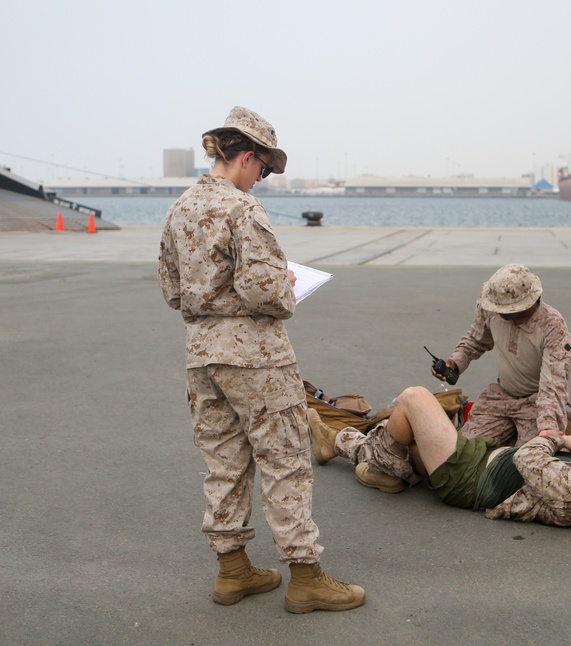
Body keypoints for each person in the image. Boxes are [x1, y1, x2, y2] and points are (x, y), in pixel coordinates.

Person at [158, 106, 364, 614]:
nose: (262, 179)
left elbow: (169, 287)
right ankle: (307, 578)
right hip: (255, 357)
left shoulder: (181, 207)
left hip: (201, 354)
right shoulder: (242, 209)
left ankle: (233, 571)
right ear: (247, 157)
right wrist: (287, 286)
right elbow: (261, 288)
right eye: (264, 169)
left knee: (223, 461)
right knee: (285, 460)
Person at [308, 386, 571, 526]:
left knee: (414, 399)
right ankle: (343, 445)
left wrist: (557, 439)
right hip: (482, 459)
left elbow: (530, 461)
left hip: (469, 479)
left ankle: (372, 460)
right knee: (407, 443)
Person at [432, 264, 571, 447]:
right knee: (463, 450)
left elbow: (553, 385)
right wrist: (455, 363)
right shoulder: (491, 309)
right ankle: (511, 433)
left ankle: (561, 426)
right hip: (502, 396)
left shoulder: (552, 326)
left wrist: (548, 426)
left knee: (529, 457)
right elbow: (475, 340)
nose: (496, 310)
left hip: (537, 402)